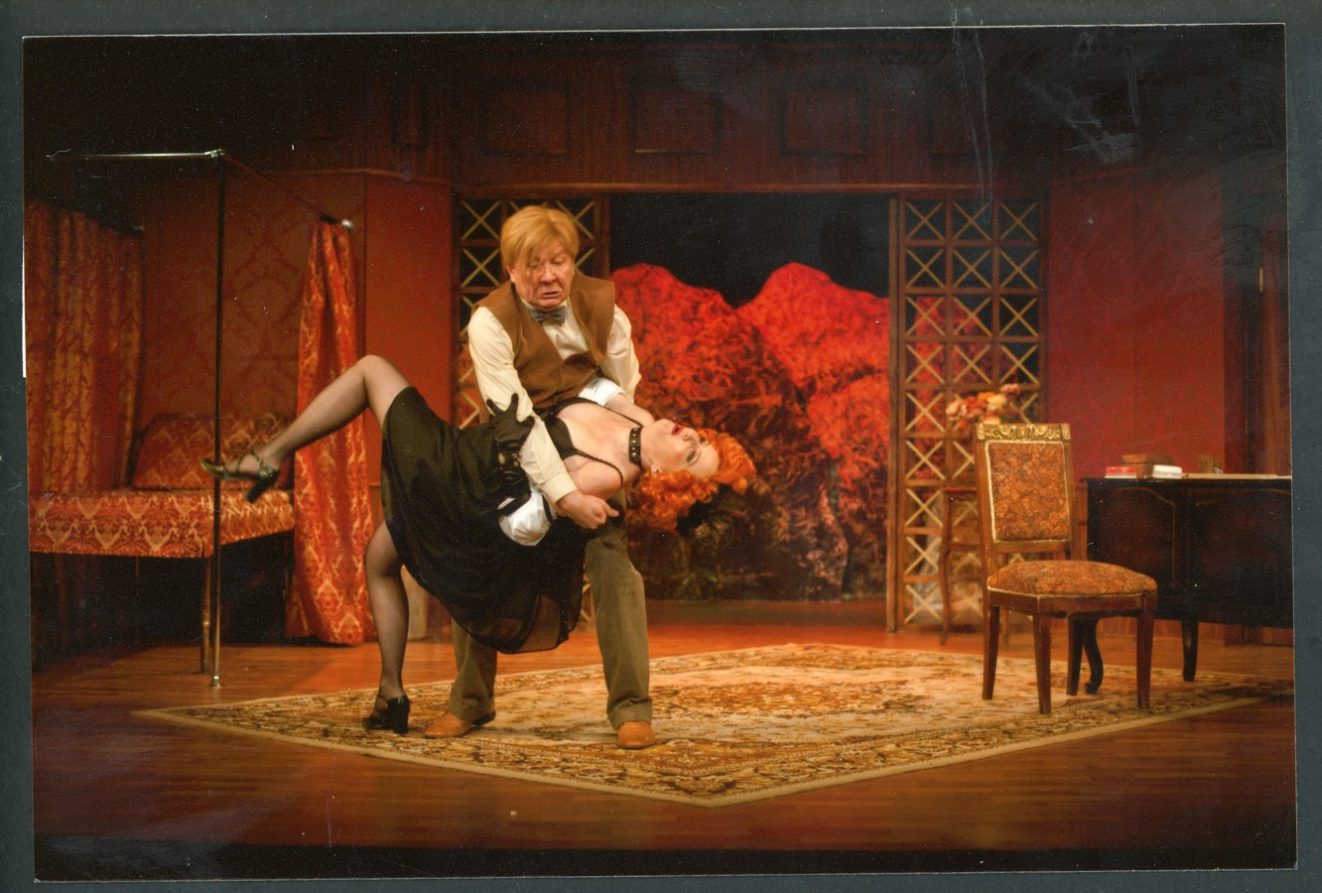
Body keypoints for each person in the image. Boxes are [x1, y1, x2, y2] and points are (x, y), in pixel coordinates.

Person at [201, 354, 755, 745]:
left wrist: (560, 501)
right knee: (381, 559)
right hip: (466, 459)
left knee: (372, 372)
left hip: (465, 478)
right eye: (702, 439)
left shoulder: (606, 478)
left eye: (692, 454)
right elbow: (593, 367)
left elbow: (524, 518)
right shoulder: (638, 414)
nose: (691, 436)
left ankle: (269, 456)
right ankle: (395, 695)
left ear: (661, 479)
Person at [435, 205, 663, 749]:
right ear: (511, 270)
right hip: (518, 455)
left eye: (558, 262)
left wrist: (606, 465)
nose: (548, 277)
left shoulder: (603, 308)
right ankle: (470, 700)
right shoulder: (489, 321)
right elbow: (516, 421)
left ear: (572, 261)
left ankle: (632, 709)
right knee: (478, 560)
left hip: (590, 451)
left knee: (615, 568)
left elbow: (621, 392)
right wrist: (563, 495)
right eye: (533, 265)